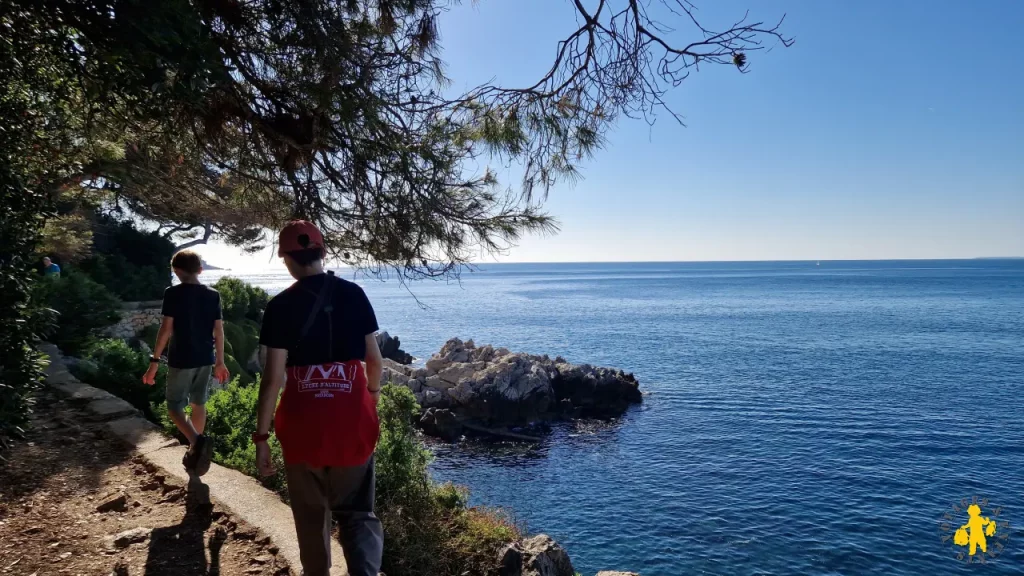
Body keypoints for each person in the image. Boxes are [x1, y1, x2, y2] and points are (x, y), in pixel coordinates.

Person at [254, 220, 384, 576]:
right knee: (357, 514)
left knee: (311, 520)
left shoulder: (279, 306)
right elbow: (374, 361)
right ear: (322, 252)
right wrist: (370, 397)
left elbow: (272, 379)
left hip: (301, 427)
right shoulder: (354, 294)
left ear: (286, 259)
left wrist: (262, 438)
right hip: (350, 422)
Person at [142, 249, 230, 476]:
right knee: (198, 403)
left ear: (176, 271)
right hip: (205, 358)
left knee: (174, 406)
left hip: (181, 358)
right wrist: (220, 362)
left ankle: (197, 442)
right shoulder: (213, 294)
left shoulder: (173, 293)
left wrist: (154, 361)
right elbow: (218, 331)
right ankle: (195, 453)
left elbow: (166, 329)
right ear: (200, 270)